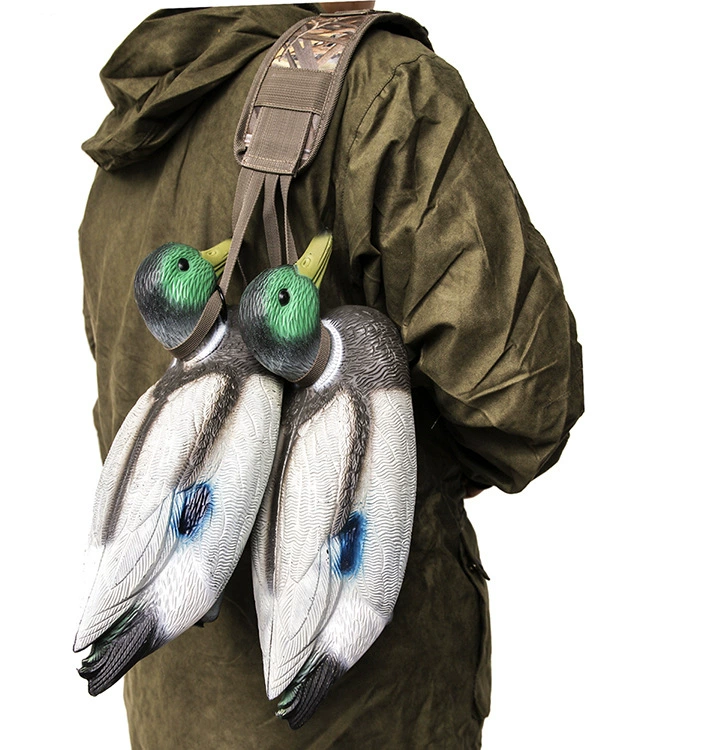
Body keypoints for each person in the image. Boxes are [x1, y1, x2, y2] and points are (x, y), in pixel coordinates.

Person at [78, 3, 583, 748]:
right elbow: (522, 402)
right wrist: (388, 460)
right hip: (362, 716)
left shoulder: (145, 113)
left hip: (177, 705)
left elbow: (118, 388)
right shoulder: (387, 91)